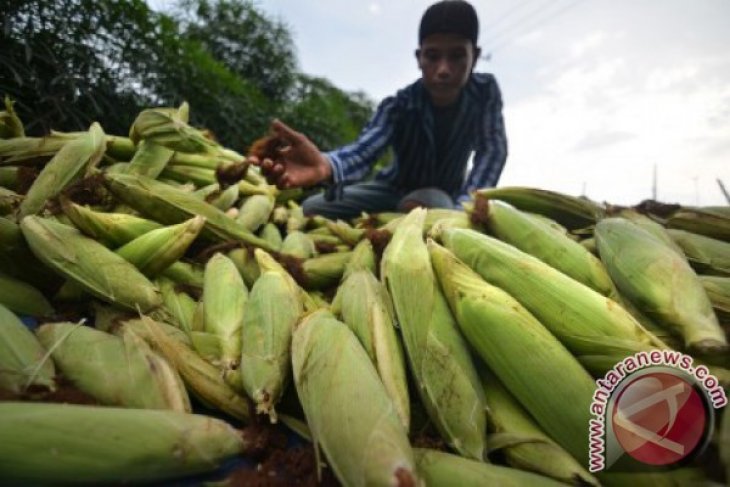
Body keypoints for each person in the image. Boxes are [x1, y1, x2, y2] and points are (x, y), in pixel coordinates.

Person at [250, 0, 508, 220]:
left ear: (475, 56)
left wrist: (468, 206)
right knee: (312, 208)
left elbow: (492, 151)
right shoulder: (399, 105)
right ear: (419, 58)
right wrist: (326, 166)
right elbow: (365, 150)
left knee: (433, 204)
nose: (443, 69)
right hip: (391, 188)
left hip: (443, 196)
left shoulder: (485, 93)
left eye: (456, 56)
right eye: (432, 56)